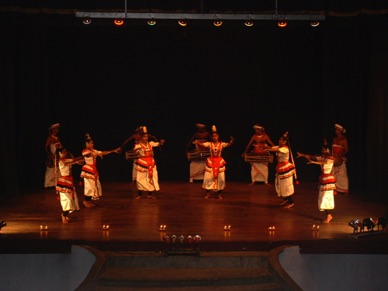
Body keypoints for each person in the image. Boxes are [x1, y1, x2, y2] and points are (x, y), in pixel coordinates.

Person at [297, 140, 336, 223]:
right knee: (323, 198)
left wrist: (314, 162)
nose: (322, 151)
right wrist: (303, 155)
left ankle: (329, 215)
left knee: (325, 198)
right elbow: (312, 157)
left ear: (328, 150)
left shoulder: (330, 159)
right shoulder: (323, 157)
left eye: (324, 149)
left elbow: (323, 162)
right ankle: (328, 215)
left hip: (328, 180)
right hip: (323, 179)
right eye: (322, 149)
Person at [80, 133, 121, 208]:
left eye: (93, 143)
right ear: (87, 144)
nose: (93, 144)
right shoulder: (85, 151)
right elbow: (88, 155)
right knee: (89, 186)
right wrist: (97, 154)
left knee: (94, 186)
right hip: (88, 170)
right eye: (91, 143)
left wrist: (113, 151)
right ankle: (85, 201)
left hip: (93, 170)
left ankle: (88, 201)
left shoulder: (93, 151)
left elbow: (103, 152)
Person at [195, 125, 234, 199]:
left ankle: (219, 194)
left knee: (221, 178)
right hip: (211, 161)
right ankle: (208, 194)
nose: (214, 137)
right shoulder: (209, 144)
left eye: (215, 136)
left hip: (219, 162)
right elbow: (202, 144)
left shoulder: (221, 144)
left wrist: (232, 141)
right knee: (208, 178)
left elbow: (229, 144)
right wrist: (197, 142)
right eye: (213, 136)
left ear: (218, 136)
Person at [133, 126, 165, 199]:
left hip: (151, 162)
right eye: (144, 137)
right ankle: (139, 195)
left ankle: (149, 194)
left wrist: (161, 142)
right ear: (141, 138)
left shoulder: (150, 143)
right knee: (140, 178)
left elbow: (157, 144)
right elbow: (135, 151)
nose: (146, 138)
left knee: (152, 177)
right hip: (142, 163)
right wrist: (137, 150)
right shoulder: (138, 145)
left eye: (147, 137)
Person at [266, 132, 296, 208]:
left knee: (285, 185)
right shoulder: (279, 147)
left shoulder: (285, 149)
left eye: (281, 140)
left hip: (285, 168)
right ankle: (286, 199)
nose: (279, 141)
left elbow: (276, 150)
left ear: (285, 141)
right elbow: (273, 148)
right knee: (280, 185)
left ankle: (291, 202)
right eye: (279, 139)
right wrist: (263, 146)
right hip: (280, 168)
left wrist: (267, 148)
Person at [55, 147, 84, 223]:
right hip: (64, 182)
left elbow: (73, 160)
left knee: (71, 200)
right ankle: (63, 215)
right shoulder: (61, 161)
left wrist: (82, 157)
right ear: (60, 153)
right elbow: (69, 163)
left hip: (69, 181)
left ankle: (65, 215)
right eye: (64, 152)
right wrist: (77, 161)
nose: (66, 153)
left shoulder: (66, 159)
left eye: (65, 151)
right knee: (68, 200)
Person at [44, 123, 62, 189]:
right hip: (52, 156)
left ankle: (56, 184)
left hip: (58, 156)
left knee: (58, 171)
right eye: (57, 128)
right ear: (53, 129)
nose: (58, 130)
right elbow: (46, 147)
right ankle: (46, 185)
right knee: (50, 171)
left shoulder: (57, 138)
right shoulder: (50, 138)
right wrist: (50, 155)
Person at [332, 123, 349, 194]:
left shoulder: (344, 140)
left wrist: (340, 154)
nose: (336, 131)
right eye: (335, 129)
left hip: (340, 158)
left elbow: (346, 150)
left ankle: (344, 189)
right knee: (334, 173)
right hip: (335, 157)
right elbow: (333, 148)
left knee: (342, 174)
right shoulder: (335, 139)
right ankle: (335, 188)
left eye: (337, 129)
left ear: (341, 131)